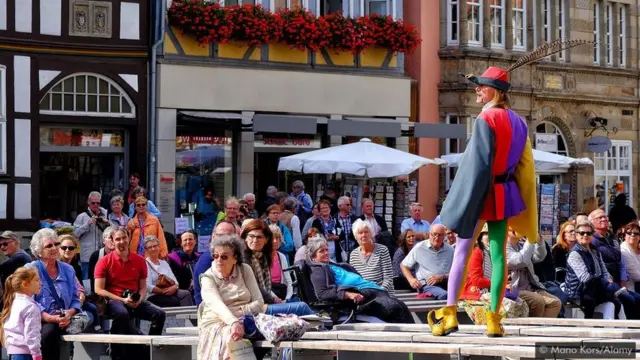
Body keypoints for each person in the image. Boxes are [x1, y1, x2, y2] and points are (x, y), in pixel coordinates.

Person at [427, 53, 571, 336]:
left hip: (481, 193)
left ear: (495, 90)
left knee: (462, 253)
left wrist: (452, 210)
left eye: (481, 86)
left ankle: (450, 314)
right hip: (505, 194)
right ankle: (493, 319)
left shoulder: (485, 119)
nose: (477, 90)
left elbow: (474, 167)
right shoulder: (519, 122)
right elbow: (526, 166)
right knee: (499, 257)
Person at [94, 226, 166, 359]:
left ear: (129, 238)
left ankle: (149, 349)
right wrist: (122, 300)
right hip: (114, 301)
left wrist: (140, 299)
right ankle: (116, 354)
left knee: (159, 314)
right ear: (112, 241)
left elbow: (143, 287)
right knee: (122, 313)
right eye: (118, 239)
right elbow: (98, 289)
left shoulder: (139, 260)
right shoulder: (104, 261)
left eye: (124, 238)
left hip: (134, 300)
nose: (121, 242)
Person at [306, 237, 413, 323]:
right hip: (360, 298)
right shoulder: (318, 270)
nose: (326, 253)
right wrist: (347, 294)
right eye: (321, 251)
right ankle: (407, 344)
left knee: (402, 306)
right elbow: (322, 293)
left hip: (373, 290)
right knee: (393, 308)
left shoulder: (333, 265)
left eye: (326, 249)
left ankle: (413, 344)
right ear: (313, 257)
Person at [198, 235, 266, 360]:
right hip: (216, 322)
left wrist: (238, 313)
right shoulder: (208, 277)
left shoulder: (245, 270)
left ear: (235, 259)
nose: (218, 260)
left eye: (224, 257)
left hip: (245, 319)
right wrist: (233, 321)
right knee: (231, 334)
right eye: (215, 256)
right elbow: (216, 305)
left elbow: (259, 303)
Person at [26, 229, 84, 360]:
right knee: (48, 332)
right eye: (49, 246)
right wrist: (49, 318)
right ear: (38, 251)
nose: (54, 248)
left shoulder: (68, 269)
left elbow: (75, 298)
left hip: (65, 319)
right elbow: (27, 301)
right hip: (39, 320)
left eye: (56, 244)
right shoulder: (30, 269)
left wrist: (71, 312)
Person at [241, 219, 313, 316]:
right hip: (254, 306)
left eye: (259, 237)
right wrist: (274, 300)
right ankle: (323, 329)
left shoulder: (264, 258)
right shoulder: (243, 259)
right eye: (251, 236)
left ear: (266, 240)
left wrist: (285, 298)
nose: (255, 240)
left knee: (297, 303)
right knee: (301, 307)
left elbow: (286, 281)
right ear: (245, 237)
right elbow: (255, 288)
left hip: (267, 301)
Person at [565, 221, 625, 319]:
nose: (585, 235)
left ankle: (621, 330)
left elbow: (604, 270)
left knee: (619, 301)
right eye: (582, 233)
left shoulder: (594, 250)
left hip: (596, 287)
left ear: (592, 235)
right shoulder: (575, 254)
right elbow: (585, 278)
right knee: (616, 297)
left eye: (588, 233)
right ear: (576, 235)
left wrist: (608, 280)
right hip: (580, 291)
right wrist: (607, 284)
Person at [0, 267, 42, 360]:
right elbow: (32, 334)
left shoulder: (12, 303)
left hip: (12, 353)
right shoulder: (31, 307)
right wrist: (37, 354)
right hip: (26, 354)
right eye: (37, 280)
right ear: (25, 284)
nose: (41, 283)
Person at [193, 221, 239, 305]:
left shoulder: (238, 259)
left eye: (228, 236)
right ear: (213, 236)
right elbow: (211, 300)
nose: (223, 240)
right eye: (220, 235)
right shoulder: (207, 261)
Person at [144, 235, 194, 308]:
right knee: (174, 301)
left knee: (186, 294)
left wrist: (174, 288)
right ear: (146, 250)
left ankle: (189, 318)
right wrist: (163, 291)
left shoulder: (164, 263)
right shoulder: (144, 264)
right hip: (153, 295)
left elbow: (175, 281)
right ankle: (180, 319)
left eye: (155, 246)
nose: (153, 249)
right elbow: (148, 286)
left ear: (159, 247)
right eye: (150, 247)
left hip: (170, 291)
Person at [348, 219, 394, 295]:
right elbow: (354, 280)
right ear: (356, 236)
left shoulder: (382, 250)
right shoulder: (353, 254)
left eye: (366, 232)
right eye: (360, 233)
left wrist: (379, 292)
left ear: (371, 234)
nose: (363, 235)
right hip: (364, 295)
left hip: (383, 294)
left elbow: (388, 278)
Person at [73, 191, 110, 279]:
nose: (95, 205)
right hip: (87, 254)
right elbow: (75, 233)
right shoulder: (82, 216)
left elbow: (113, 231)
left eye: (98, 203)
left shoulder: (105, 215)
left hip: (102, 253)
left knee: (101, 277)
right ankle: (87, 293)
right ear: (88, 202)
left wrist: (108, 223)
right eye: (93, 203)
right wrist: (88, 224)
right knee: (86, 277)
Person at [268, 225, 294, 301]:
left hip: (282, 294)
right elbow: (263, 285)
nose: (275, 241)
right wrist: (275, 298)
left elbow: (289, 281)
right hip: (269, 296)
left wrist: (287, 298)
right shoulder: (262, 258)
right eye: (272, 238)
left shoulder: (282, 256)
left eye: (278, 238)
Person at [88, 226, 117, 293]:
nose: (112, 241)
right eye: (110, 238)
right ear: (104, 241)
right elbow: (91, 278)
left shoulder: (122, 255)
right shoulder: (96, 256)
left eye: (115, 238)